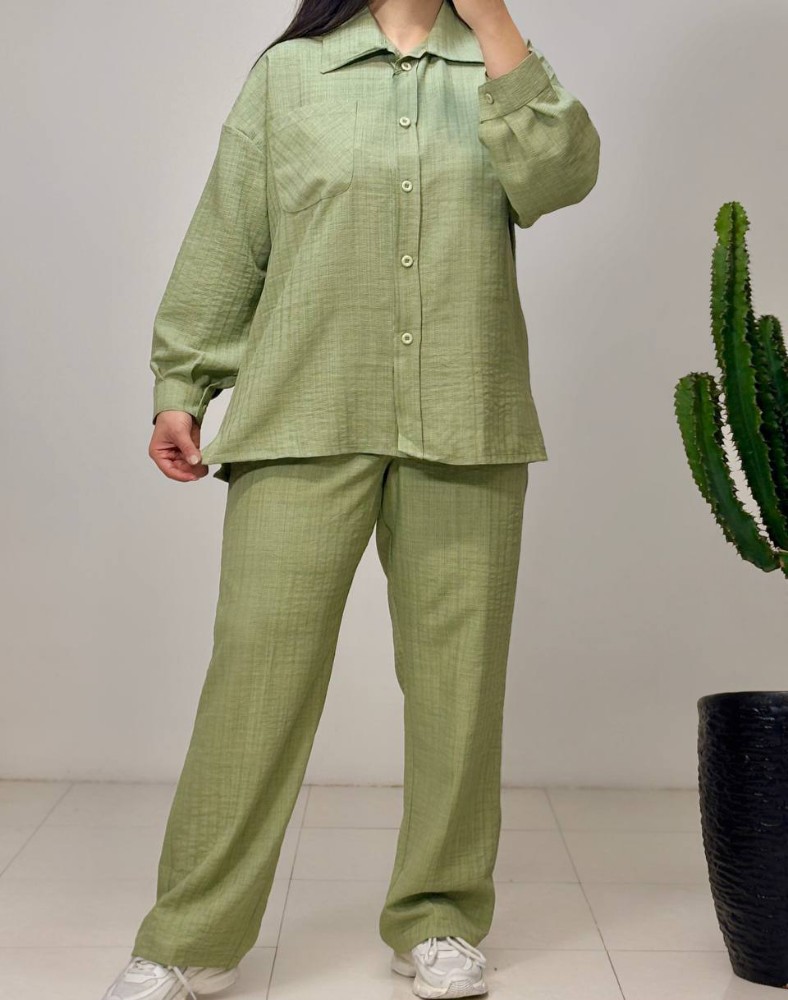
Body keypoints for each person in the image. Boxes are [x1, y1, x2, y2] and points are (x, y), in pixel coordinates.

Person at [101, 0, 600, 997]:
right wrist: (182, 383)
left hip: (465, 417)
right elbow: (229, 236)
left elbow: (559, 178)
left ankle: (438, 917)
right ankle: (190, 935)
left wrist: (493, 20)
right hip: (303, 411)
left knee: (458, 690)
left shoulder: (501, 72)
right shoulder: (290, 77)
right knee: (255, 681)